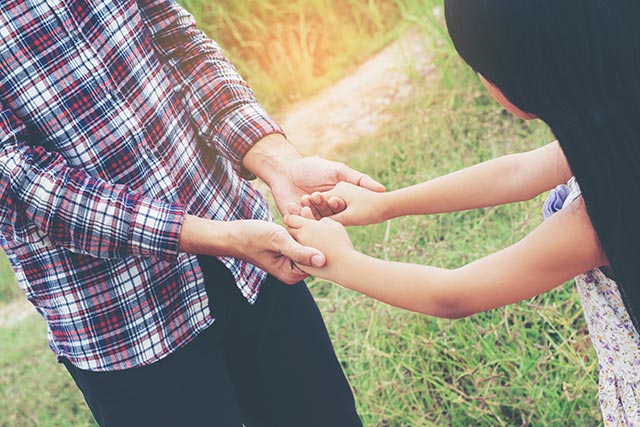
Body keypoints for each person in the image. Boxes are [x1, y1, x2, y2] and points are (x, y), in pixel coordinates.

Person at [0, 1, 386, 426]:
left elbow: (180, 45)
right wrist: (217, 237)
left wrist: (277, 164)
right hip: (124, 317)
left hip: (247, 259)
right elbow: (20, 183)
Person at [284, 1, 640, 425]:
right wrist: (386, 205)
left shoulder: (595, 219)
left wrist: (342, 262)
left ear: (529, 78)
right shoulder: (616, 132)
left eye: (481, 68)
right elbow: (517, 172)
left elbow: (453, 294)